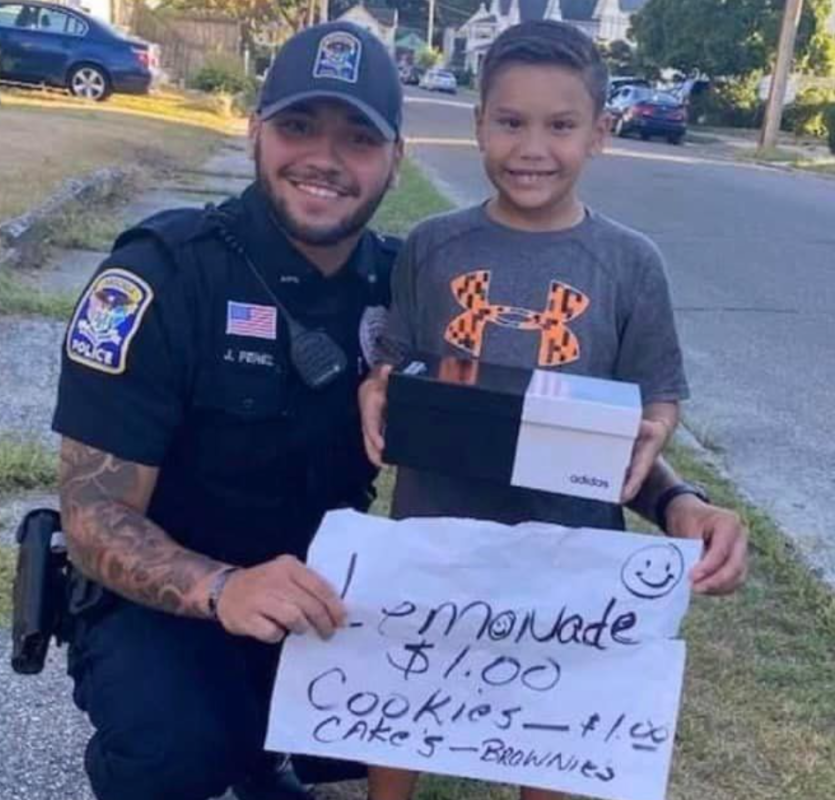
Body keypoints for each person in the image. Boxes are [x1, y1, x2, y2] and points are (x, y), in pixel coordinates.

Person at [358, 20, 749, 800]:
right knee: (402, 689)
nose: (531, 147)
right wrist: (378, 381)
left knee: (553, 720)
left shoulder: (630, 263)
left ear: (600, 134)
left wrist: (657, 432)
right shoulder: (434, 247)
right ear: (479, 125)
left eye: (560, 125)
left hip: (570, 543)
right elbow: (398, 352)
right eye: (510, 122)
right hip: (440, 524)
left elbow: (656, 389)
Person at [52, 21, 407, 800]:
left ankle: (265, 747)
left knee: (391, 731)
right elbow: (91, 515)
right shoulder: (162, 277)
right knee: (177, 750)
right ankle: (203, 746)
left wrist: (675, 498)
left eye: (357, 138)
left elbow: (537, 416)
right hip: (173, 599)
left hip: (321, 592)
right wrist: (225, 591)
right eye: (298, 126)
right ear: (255, 130)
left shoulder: (410, 288)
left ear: (394, 161)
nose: (324, 158)